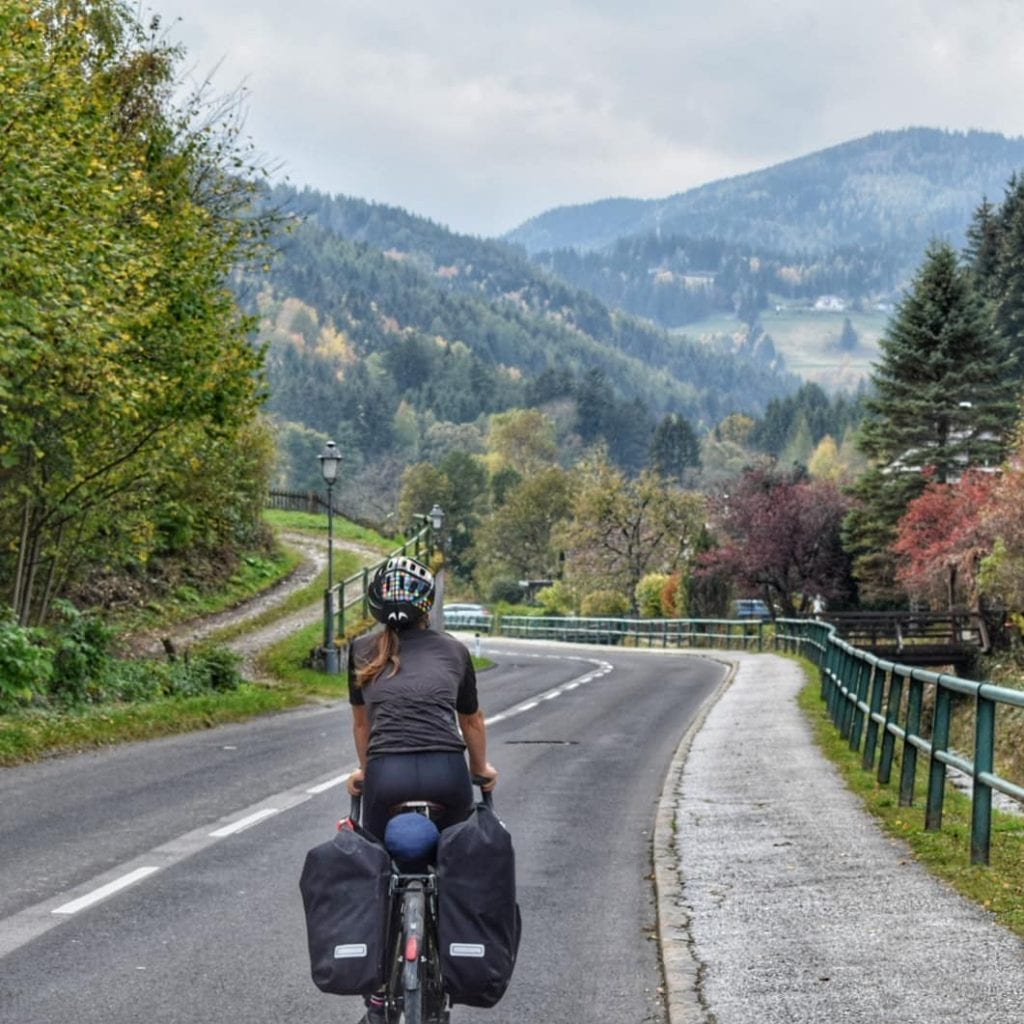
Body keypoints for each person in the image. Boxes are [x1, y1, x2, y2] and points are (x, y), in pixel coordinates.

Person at [346, 554, 498, 844]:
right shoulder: (454, 650)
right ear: (427, 606)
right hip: (447, 773)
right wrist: (480, 769)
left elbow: (362, 725)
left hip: (386, 776)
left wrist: (365, 772)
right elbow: (471, 720)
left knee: (377, 857)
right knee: (458, 857)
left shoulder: (361, 650)